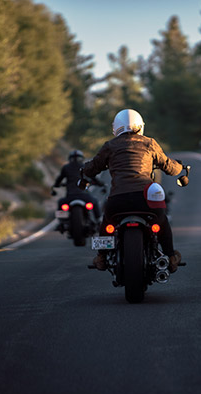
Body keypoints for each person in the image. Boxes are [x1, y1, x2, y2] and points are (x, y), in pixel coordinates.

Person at [81, 109, 183, 272]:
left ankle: (101, 256)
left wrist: (83, 170)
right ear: (140, 126)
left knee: (107, 221)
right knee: (161, 220)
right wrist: (180, 167)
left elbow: (91, 168)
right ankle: (170, 257)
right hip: (145, 199)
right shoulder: (149, 143)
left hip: (118, 201)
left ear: (116, 128)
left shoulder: (110, 146)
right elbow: (171, 168)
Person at [52, 150, 102, 219]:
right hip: (84, 196)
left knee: (60, 203)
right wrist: (101, 184)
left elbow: (59, 179)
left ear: (70, 159)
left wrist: (56, 185)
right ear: (82, 158)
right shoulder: (85, 166)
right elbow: (94, 178)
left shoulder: (66, 167)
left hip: (70, 196)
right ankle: (99, 221)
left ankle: (62, 222)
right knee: (95, 202)